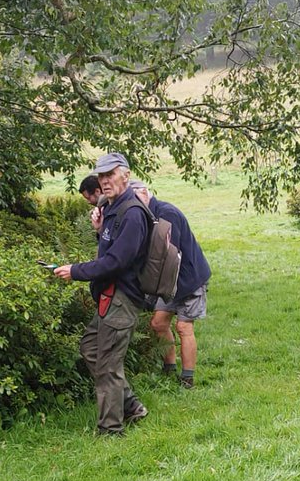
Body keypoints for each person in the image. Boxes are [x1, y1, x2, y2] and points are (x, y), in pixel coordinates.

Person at [55, 154, 150, 436]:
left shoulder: (132, 213)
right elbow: (110, 251)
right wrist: (99, 232)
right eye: (101, 176)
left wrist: (76, 271)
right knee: (90, 348)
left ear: (126, 175)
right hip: (110, 296)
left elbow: (117, 262)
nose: (105, 180)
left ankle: (111, 430)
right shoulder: (112, 207)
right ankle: (131, 406)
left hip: (123, 298)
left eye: (110, 174)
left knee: (108, 365)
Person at [130, 181, 211, 388]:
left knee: (183, 326)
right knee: (158, 324)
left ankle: (187, 379)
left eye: (136, 199)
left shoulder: (167, 214)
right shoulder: (145, 215)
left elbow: (168, 256)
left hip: (189, 278)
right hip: (168, 281)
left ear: (146, 193)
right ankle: (169, 368)